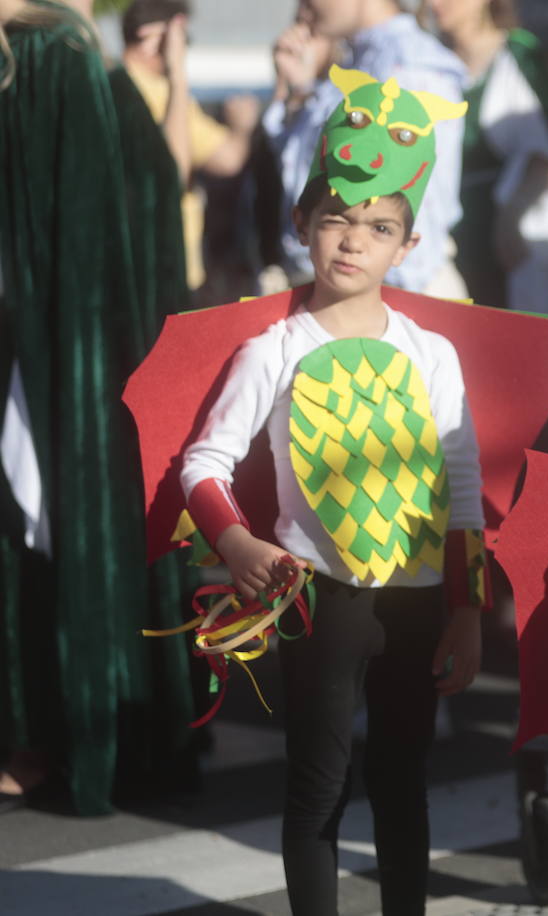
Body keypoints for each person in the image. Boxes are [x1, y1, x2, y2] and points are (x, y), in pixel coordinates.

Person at [178, 66, 481, 913]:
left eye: (377, 227)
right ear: (302, 223)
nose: (353, 240)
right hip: (315, 597)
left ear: (405, 244)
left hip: (418, 603)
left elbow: (463, 486)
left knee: (403, 787)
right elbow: (203, 461)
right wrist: (239, 545)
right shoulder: (271, 350)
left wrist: (465, 609)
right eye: (337, 219)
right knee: (316, 790)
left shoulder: (434, 355)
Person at [1, 0, 196, 815]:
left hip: (58, 360)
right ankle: (92, 729)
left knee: (41, 528)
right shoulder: (86, 72)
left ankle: (51, 735)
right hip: (81, 368)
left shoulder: (54, 62)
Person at [265, 0, 464, 296]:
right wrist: (300, 90)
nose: (304, 6)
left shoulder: (407, 67)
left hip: (385, 301)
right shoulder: (362, 59)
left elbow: (414, 211)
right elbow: (312, 172)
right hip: (351, 293)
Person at [427, 0, 548, 317]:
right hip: (448, 229)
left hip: (505, 231)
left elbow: (546, 153)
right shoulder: (429, 58)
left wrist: (511, 218)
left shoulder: (517, 52)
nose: (435, 3)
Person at [119, 0, 261, 294]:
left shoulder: (105, 86)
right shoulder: (163, 92)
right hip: (168, 256)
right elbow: (228, 159)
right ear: (151, 38)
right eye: (183, 40)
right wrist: (242, 127)